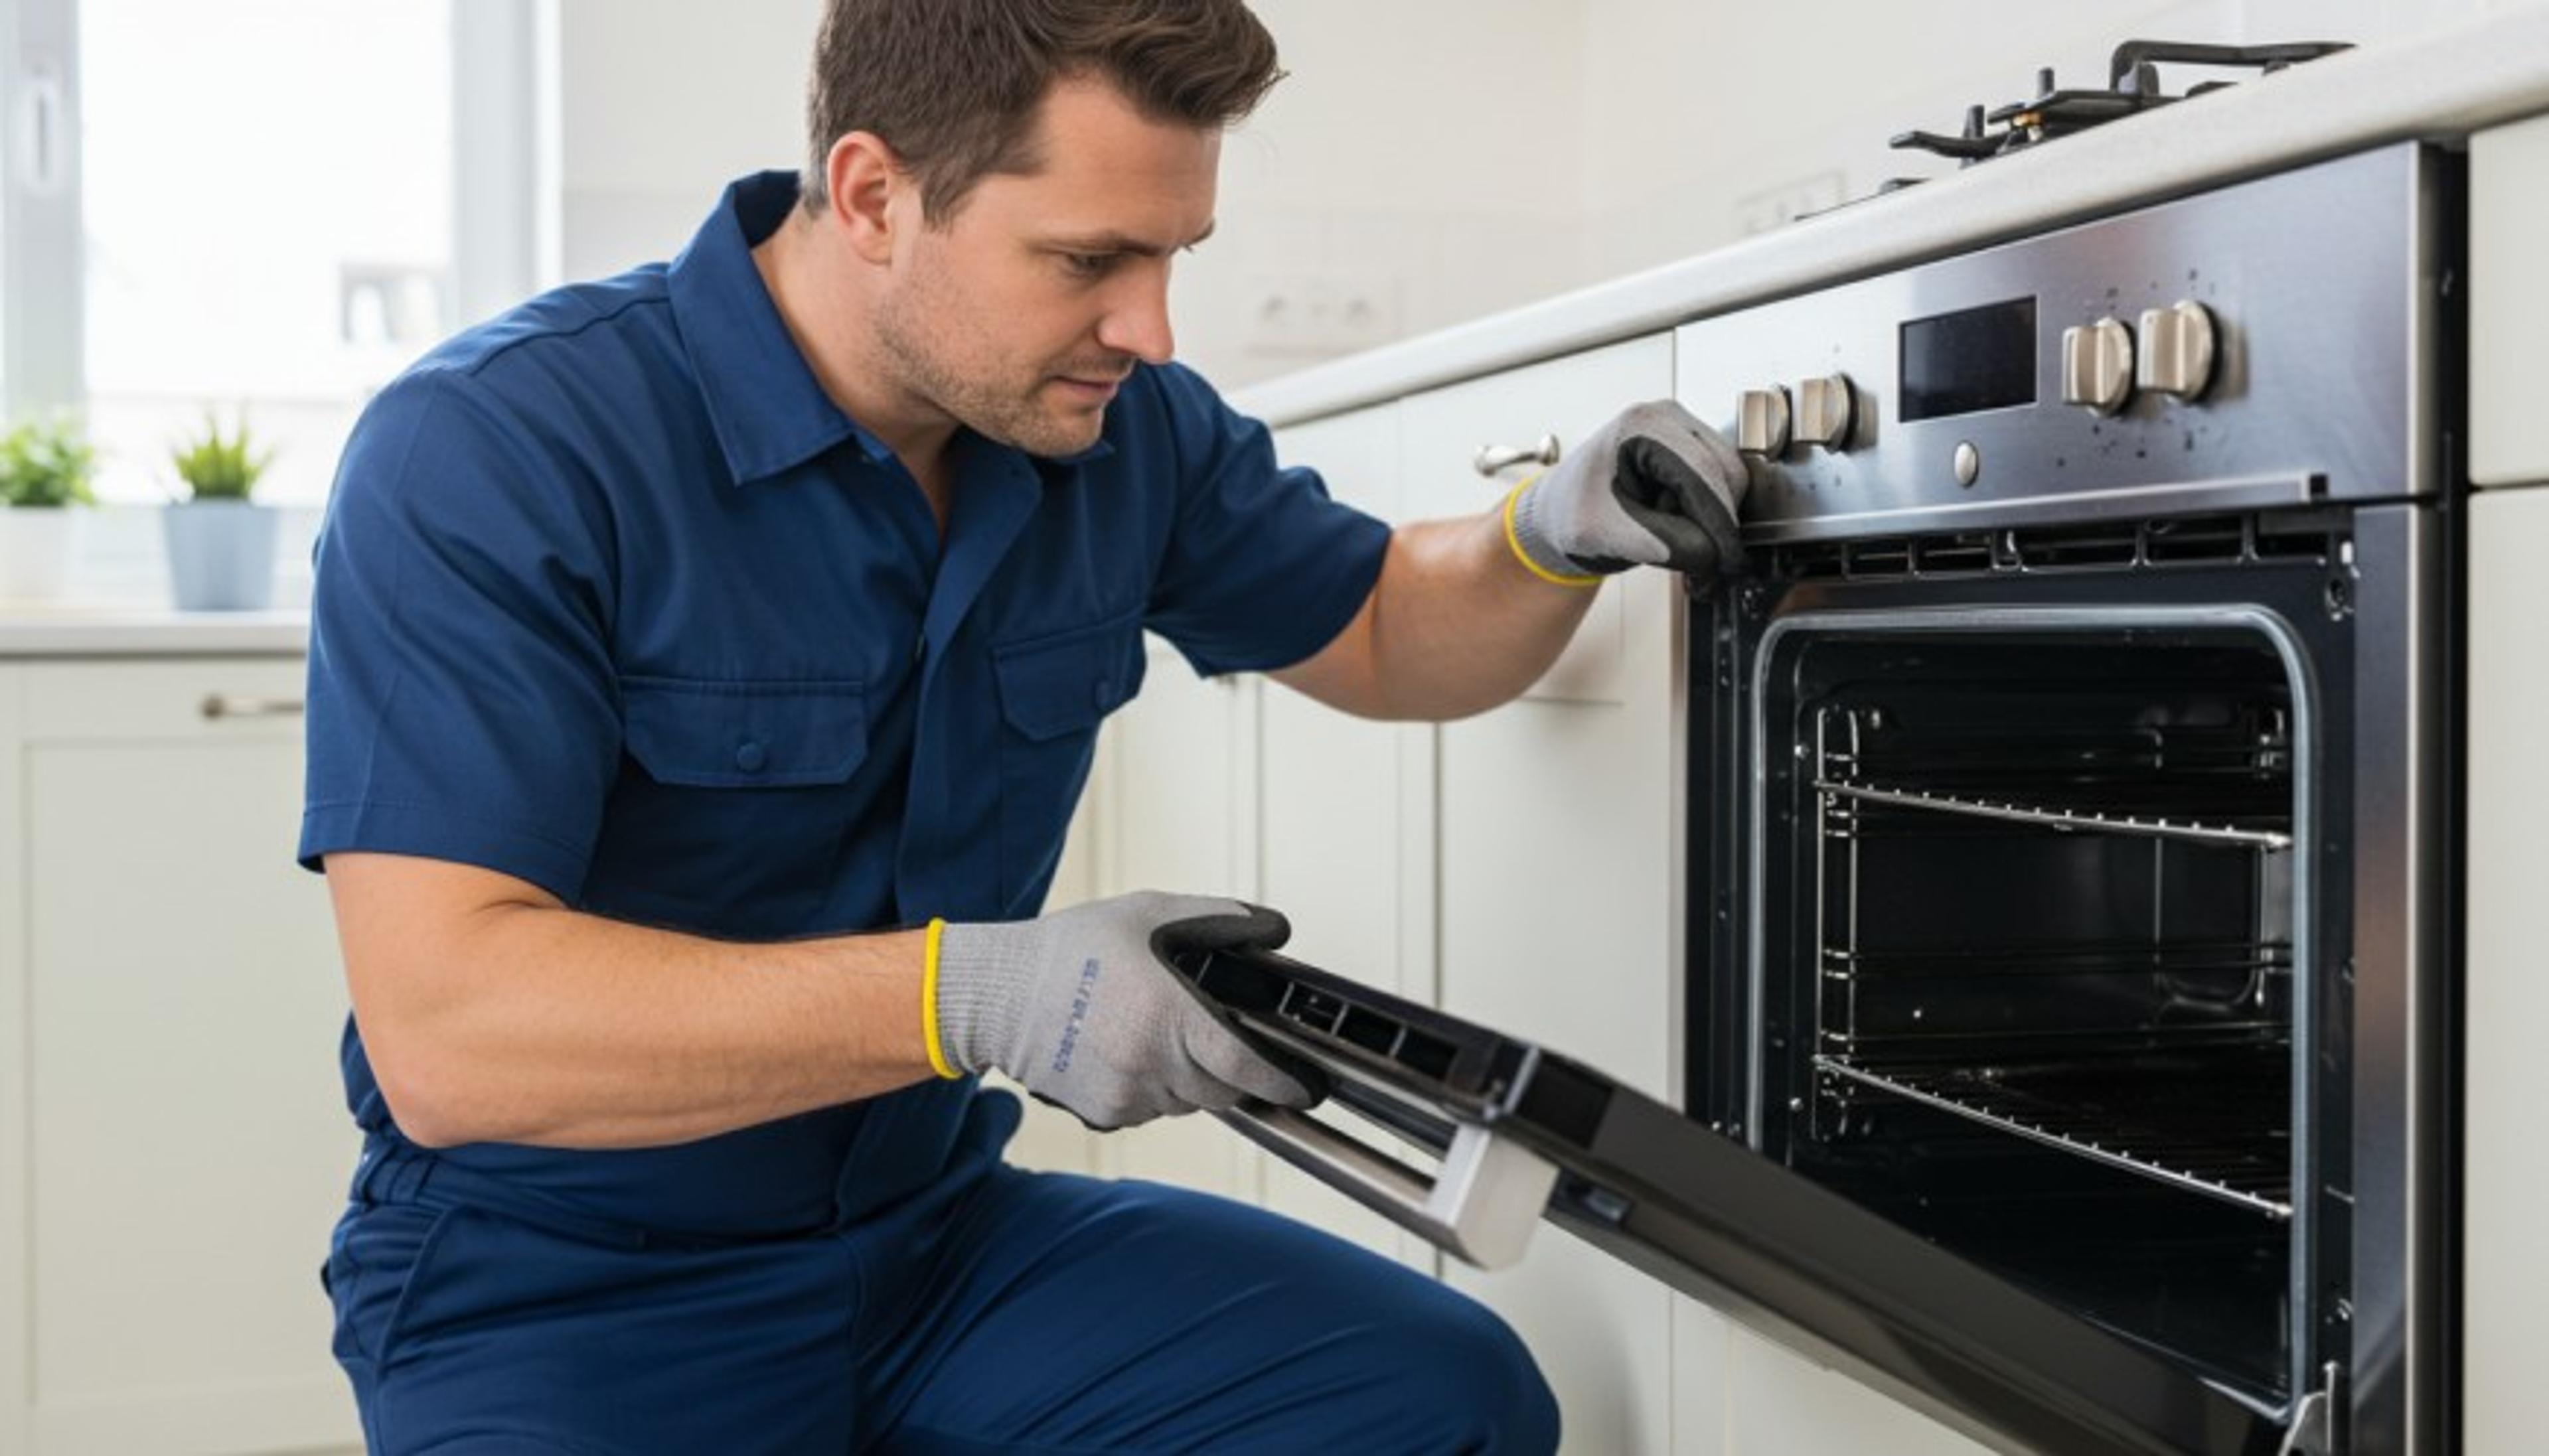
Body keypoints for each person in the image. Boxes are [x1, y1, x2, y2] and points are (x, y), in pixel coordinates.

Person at [301, 1, 1746, 1451]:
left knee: (1443, 1400)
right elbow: (452, 1030)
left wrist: (1551, 532)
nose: (1152, 327)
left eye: (1173, 254)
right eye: (1088, 259)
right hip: (564, 1290)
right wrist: (978, 995)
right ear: (874, 195)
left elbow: (1377, 621)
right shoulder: (499, 448)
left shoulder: (1125, 432)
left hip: (937, 1248)